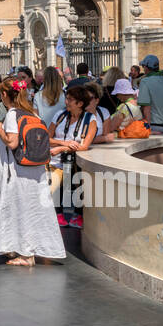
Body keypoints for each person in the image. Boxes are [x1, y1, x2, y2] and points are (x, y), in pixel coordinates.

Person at [0, 78, 66, 267]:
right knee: (38, 209)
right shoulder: (34, 113)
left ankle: (24, 253)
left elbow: (12, 142)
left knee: (18, 208)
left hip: (18, 170)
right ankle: (42, 248)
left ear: (5, 95)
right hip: (37, 169)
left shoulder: (12, 114)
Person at [48, 85, 100, 228]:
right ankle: (58, 214)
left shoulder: (91, 119)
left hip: (76, 163)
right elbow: (47, 137)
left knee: (79, 187)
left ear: (80, 104)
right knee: (54, 188)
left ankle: (78, 215)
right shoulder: (60, 115)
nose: (66, 102)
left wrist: (61, 148)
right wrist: (64, 143)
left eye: (70, 100)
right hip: (56, 161)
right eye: (67, 99)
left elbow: (84, 146)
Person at [136, 55, 163, 131]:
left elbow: (146, 108)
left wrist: (148, 129)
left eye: (143, 66)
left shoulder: (145, 81)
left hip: (154, 127)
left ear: (146, 67)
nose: (143, 69)